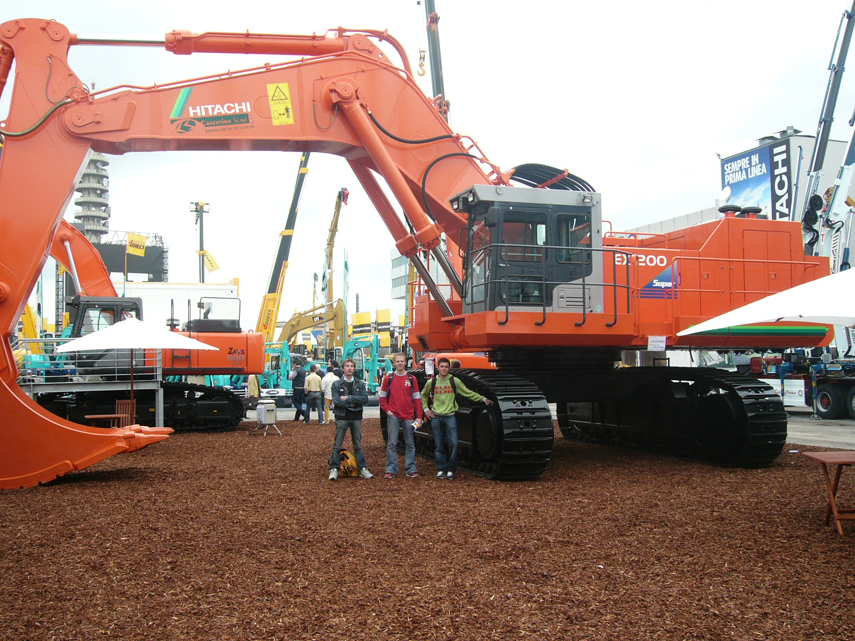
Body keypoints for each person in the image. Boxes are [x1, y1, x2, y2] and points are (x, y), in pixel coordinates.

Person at [421, 356, 493, 480]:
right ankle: (441, 469)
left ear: (449, 368)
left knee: (454, 444)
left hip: (450, 416)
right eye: (442, 367)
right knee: (439, 445)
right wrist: (426, 410)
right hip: (437, 417)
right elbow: (423, 394)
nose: (444, 369)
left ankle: (451, 469)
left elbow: (468, 393)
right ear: (438, 368)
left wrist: (483, 399)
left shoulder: (454, 381)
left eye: (446, 367)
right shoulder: (432, 382)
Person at [379, 352, 423, 478]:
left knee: (410, 444)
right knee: (392, 443)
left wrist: (419, 417)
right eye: (397, 361)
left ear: (405, 362)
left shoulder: (412, 379)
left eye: (402, 361)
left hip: (408, 415)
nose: (399, 363)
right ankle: (391, 469)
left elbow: (417, 398)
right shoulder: (388, 378)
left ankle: (411, 469)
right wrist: (388, 411)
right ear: (394, 363)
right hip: (393, 415)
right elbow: (382, 397)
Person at [328, 358, 374, 480]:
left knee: (358, 445)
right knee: (337, 445)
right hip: (342, 417)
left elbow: (365, 399)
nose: (349, 368)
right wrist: (355, 403)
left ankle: (362, 468)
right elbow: (337, 401)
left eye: (351, 366)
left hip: (356, 418)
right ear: (343, 369)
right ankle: (334, 469)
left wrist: (348, 398)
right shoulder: (336, 384)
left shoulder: (360, 384)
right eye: (347, 366)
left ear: (354, 368)